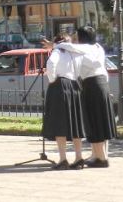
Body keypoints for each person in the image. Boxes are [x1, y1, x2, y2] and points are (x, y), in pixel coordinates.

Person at [72, 26, 116, 168]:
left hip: (91, 85)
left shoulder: (84, 49)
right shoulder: (98, 48)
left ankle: (101, 158)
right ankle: (99, 155)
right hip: (102, 83)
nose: (75, 40)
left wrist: (55, 45)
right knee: (100, 120)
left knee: (94, 120)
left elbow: (67, 47)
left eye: (77, 37)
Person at [42, 34, 86, 170]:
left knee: (59, 122)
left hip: (60, 85)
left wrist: (52, 78)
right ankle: (79, 158)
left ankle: (63, 159)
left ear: (57, 43)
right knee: (75, 123)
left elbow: (51, 64)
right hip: (74, 85)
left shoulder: (57, 51)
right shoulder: (77, 52)